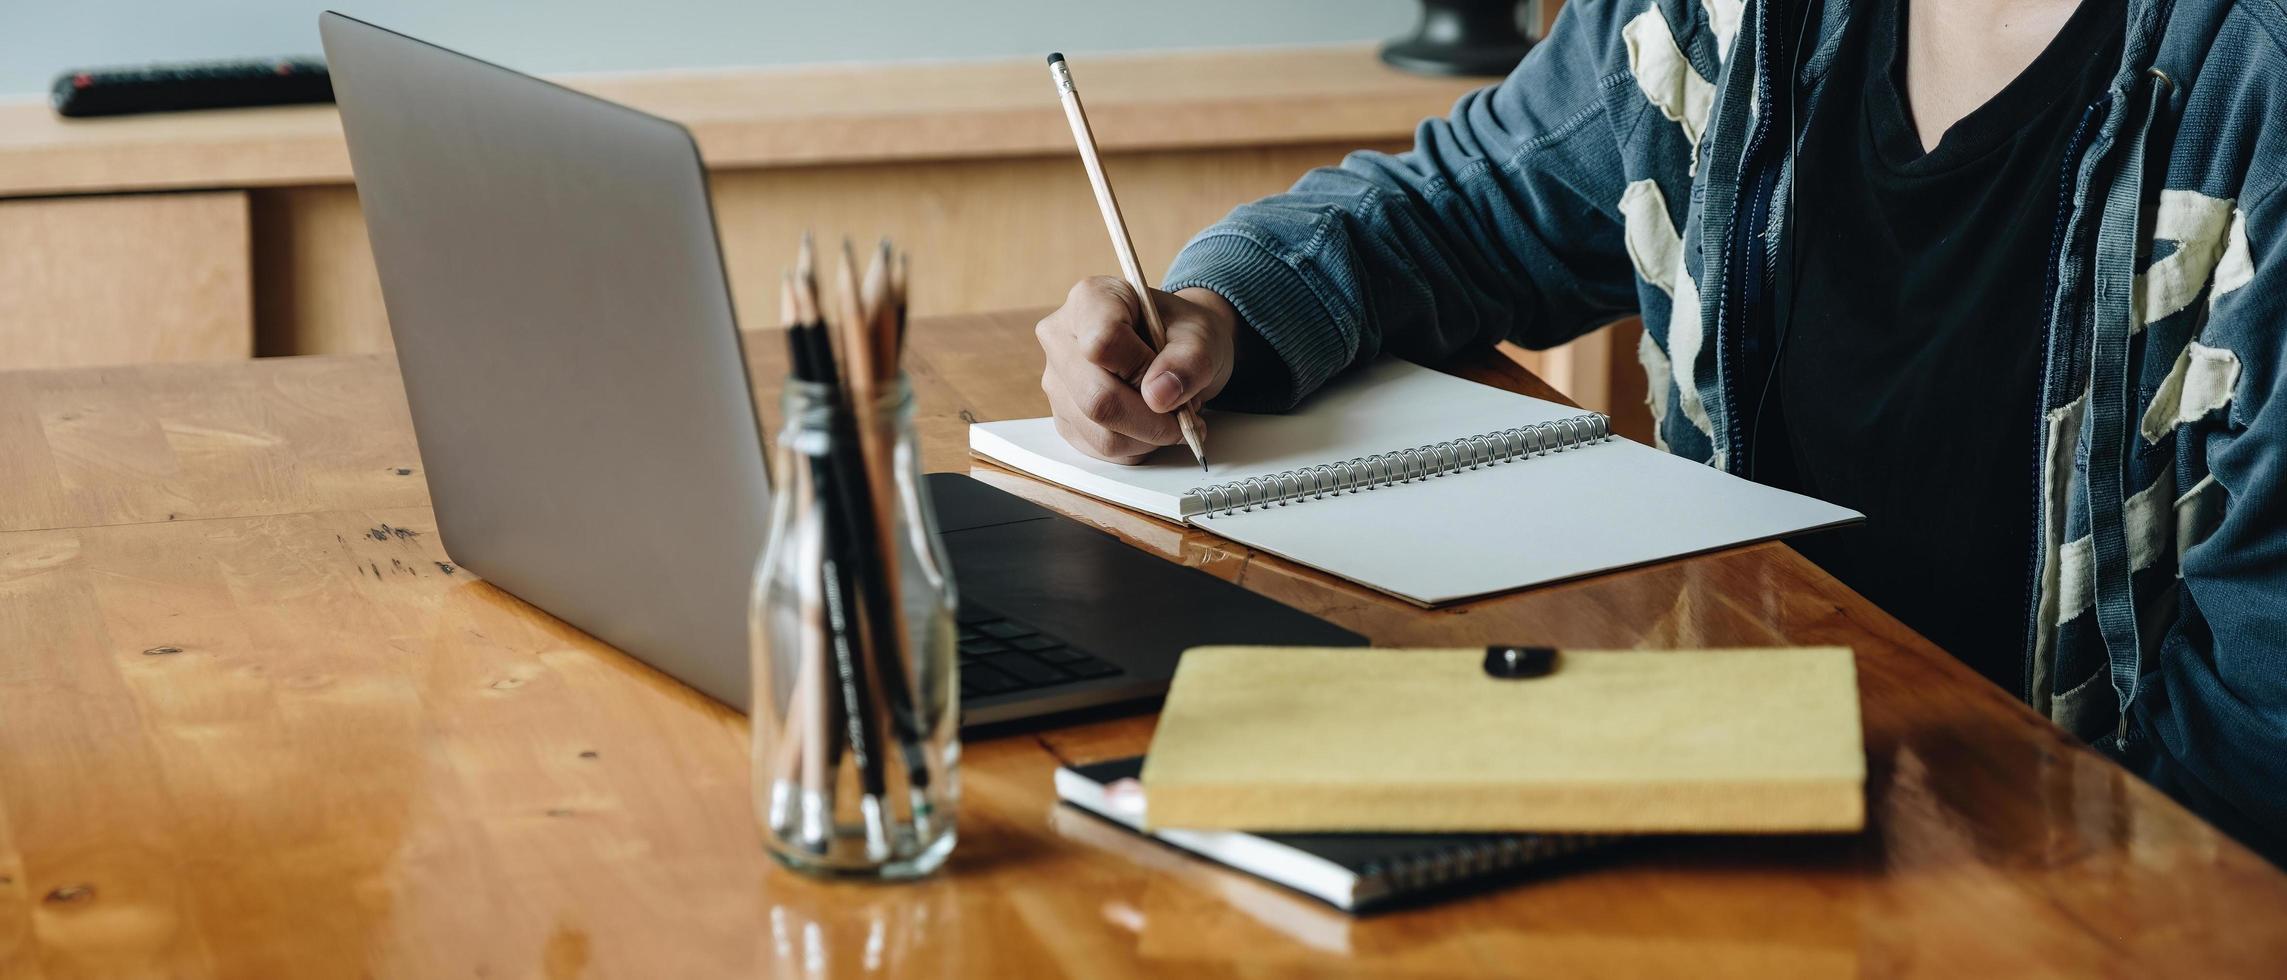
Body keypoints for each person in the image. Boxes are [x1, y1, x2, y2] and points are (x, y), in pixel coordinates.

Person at [1031, 0, 2286, 864]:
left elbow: (2252, 771)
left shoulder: (2256, 85)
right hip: (1717, 805)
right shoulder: (1715, 17)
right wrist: (1217, 312)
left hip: (2056, 896)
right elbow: (1455, 208)